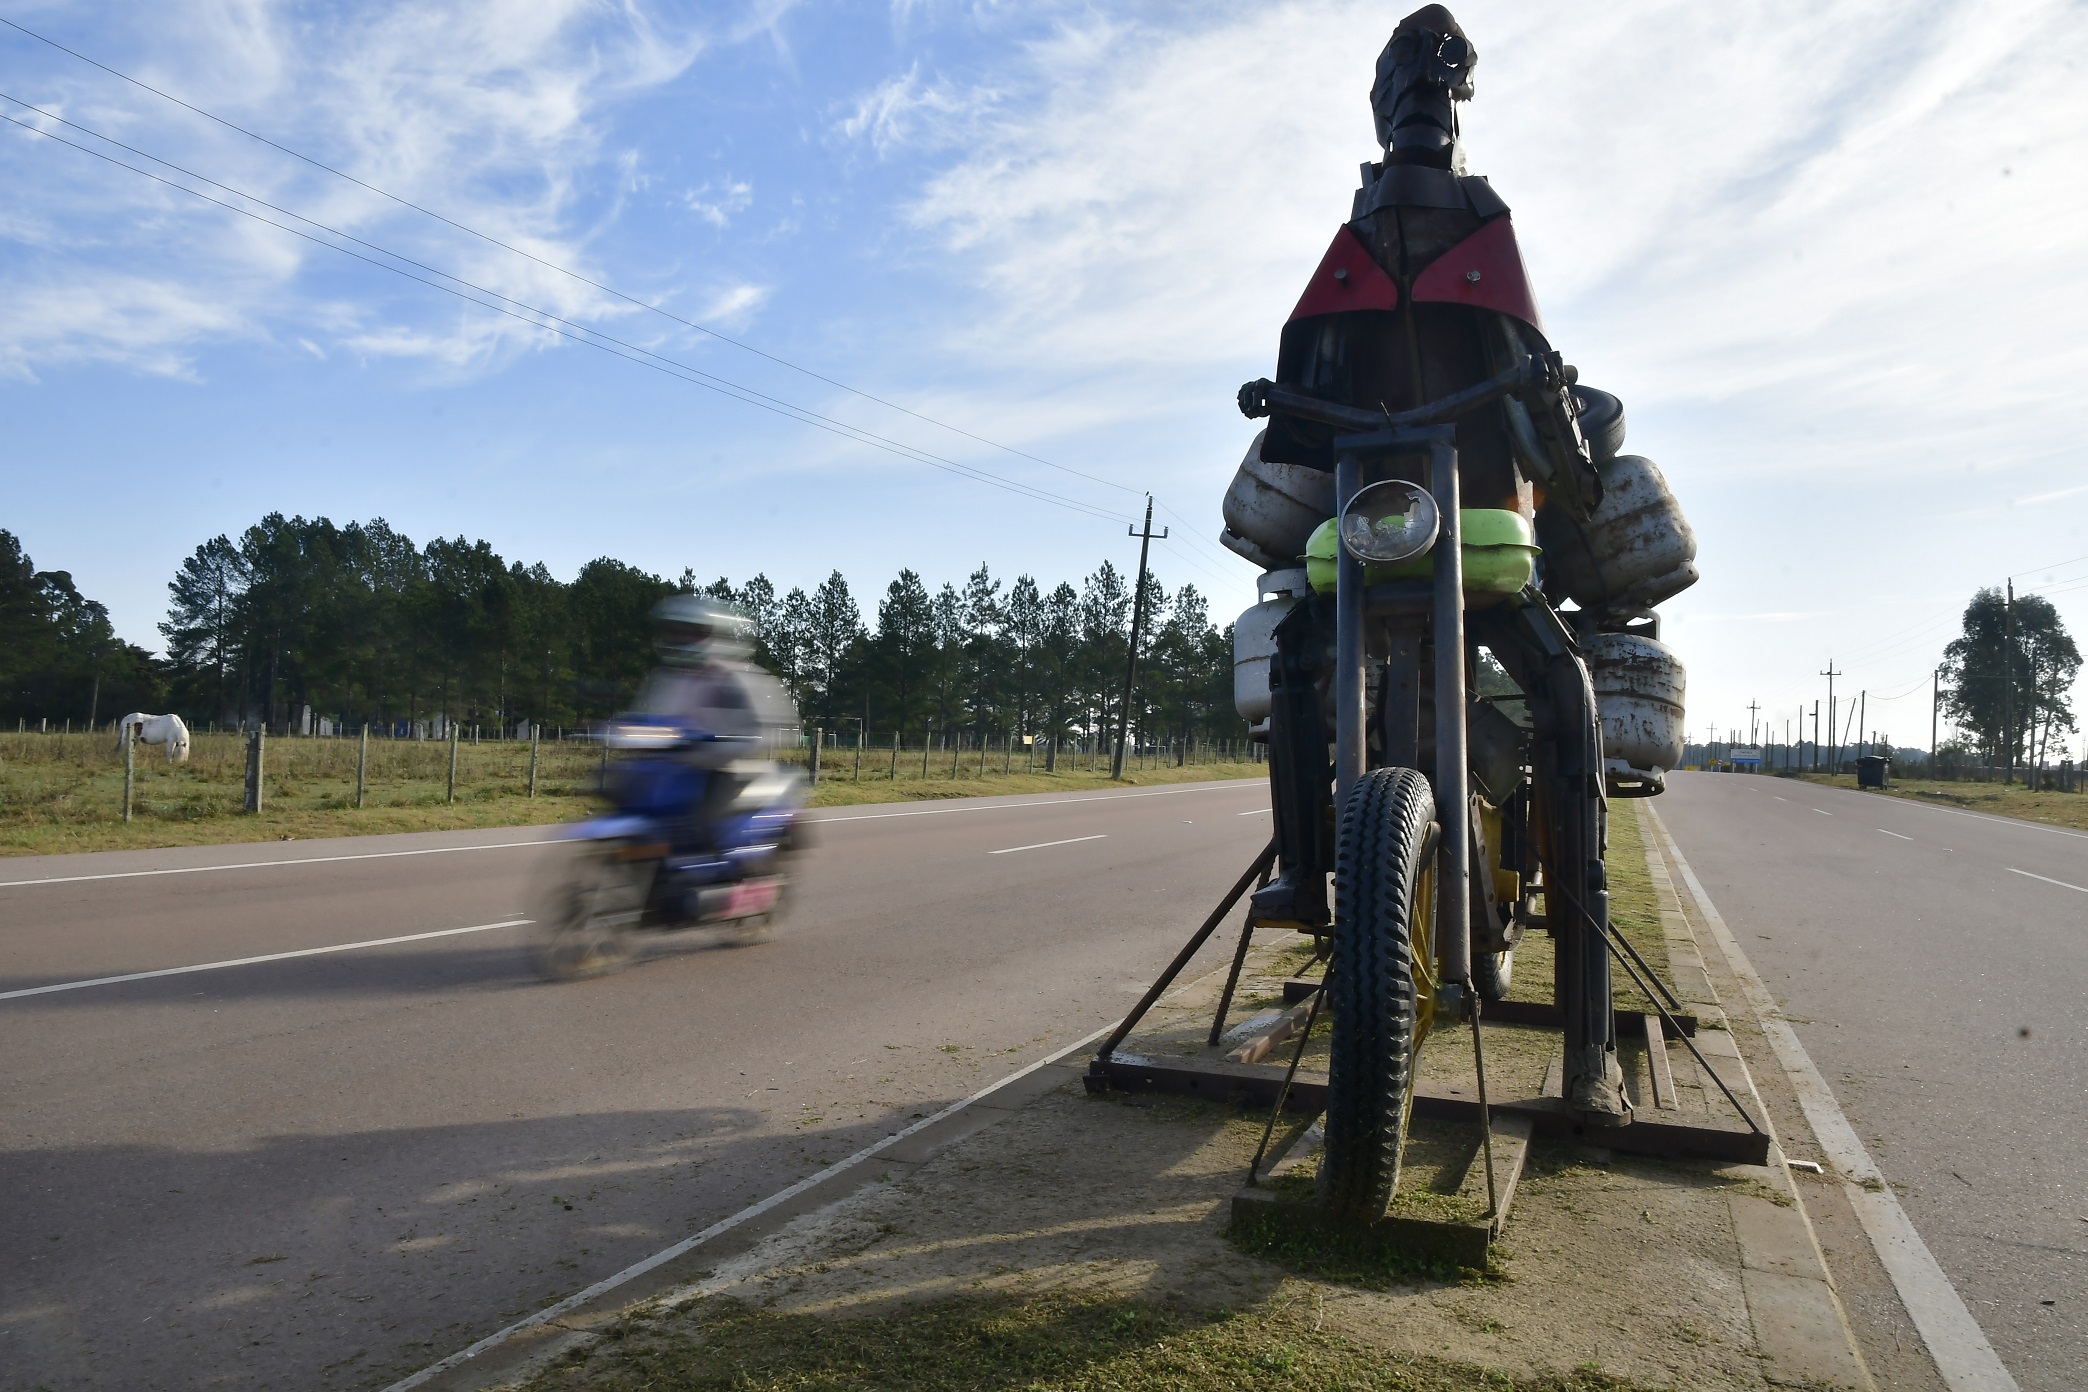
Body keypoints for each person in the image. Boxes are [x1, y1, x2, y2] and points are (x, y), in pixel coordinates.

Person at [633, 594, 799, 847]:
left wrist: (722, 743)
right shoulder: (666, 679)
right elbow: (646, 720)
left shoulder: (735, 679)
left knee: (703, 819)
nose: (681, 639)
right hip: (674, 766)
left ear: (712, 635)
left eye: (691, 632)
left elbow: (770, 727)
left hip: (721, 767)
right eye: (675, 631)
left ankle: (709, 861)